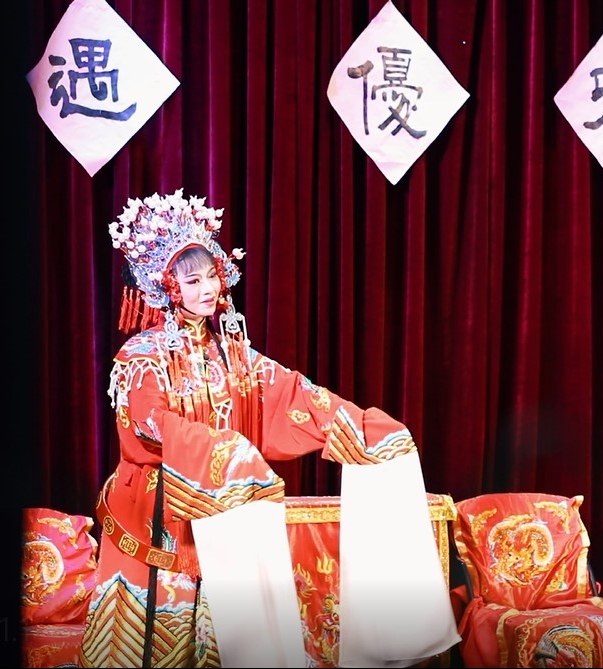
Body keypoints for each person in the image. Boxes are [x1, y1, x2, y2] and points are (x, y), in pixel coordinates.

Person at [79, 189, 418, 667]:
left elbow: (293, 393)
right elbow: (147, 425)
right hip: (158, 518)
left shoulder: (232, 352)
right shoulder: (142, 355)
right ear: (168, 288)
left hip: (223, 516)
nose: (208, 289)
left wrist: (358, 425)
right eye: (192, 281)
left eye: (211, 276)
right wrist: (226, 454)